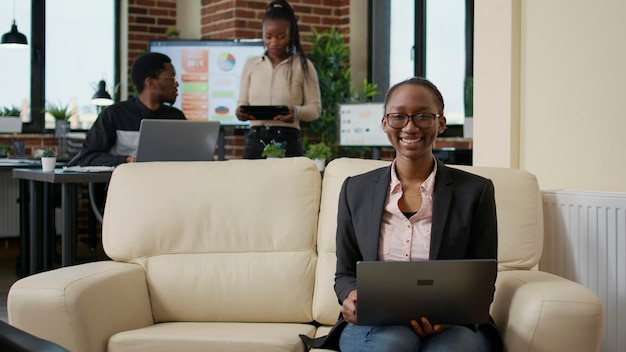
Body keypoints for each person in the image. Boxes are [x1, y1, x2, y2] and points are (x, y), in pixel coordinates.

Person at [302, 77, 503, 351]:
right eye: (399, 116)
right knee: (393, 342)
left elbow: (482, 276)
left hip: (452, 324)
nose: (410, 127)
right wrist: (352, 297)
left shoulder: (475, 191)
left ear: (440, 123)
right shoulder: (355, 190)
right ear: (385, 123)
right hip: (376, 323)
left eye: (423, 116)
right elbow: (345, 273)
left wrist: (451, 315)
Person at [236, 0, 321, 159]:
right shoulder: (251, 64)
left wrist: (296, 112)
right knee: (248, 183)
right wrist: (241, 112)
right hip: (255, 139)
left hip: (288, 139)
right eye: (268, 37)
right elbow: (242, 103)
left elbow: (315, 108)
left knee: (289, 184)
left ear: (291, 35)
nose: (274, 42)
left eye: (281, 37)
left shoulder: (303, 65)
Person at [71, 52, 186, 166]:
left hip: (167, 182)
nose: (176, 84)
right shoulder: (114, 115)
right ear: (150, 82)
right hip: (124, 183)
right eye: (171, 77)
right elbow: (87, 157)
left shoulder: (176, 117)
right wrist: (126, 160)